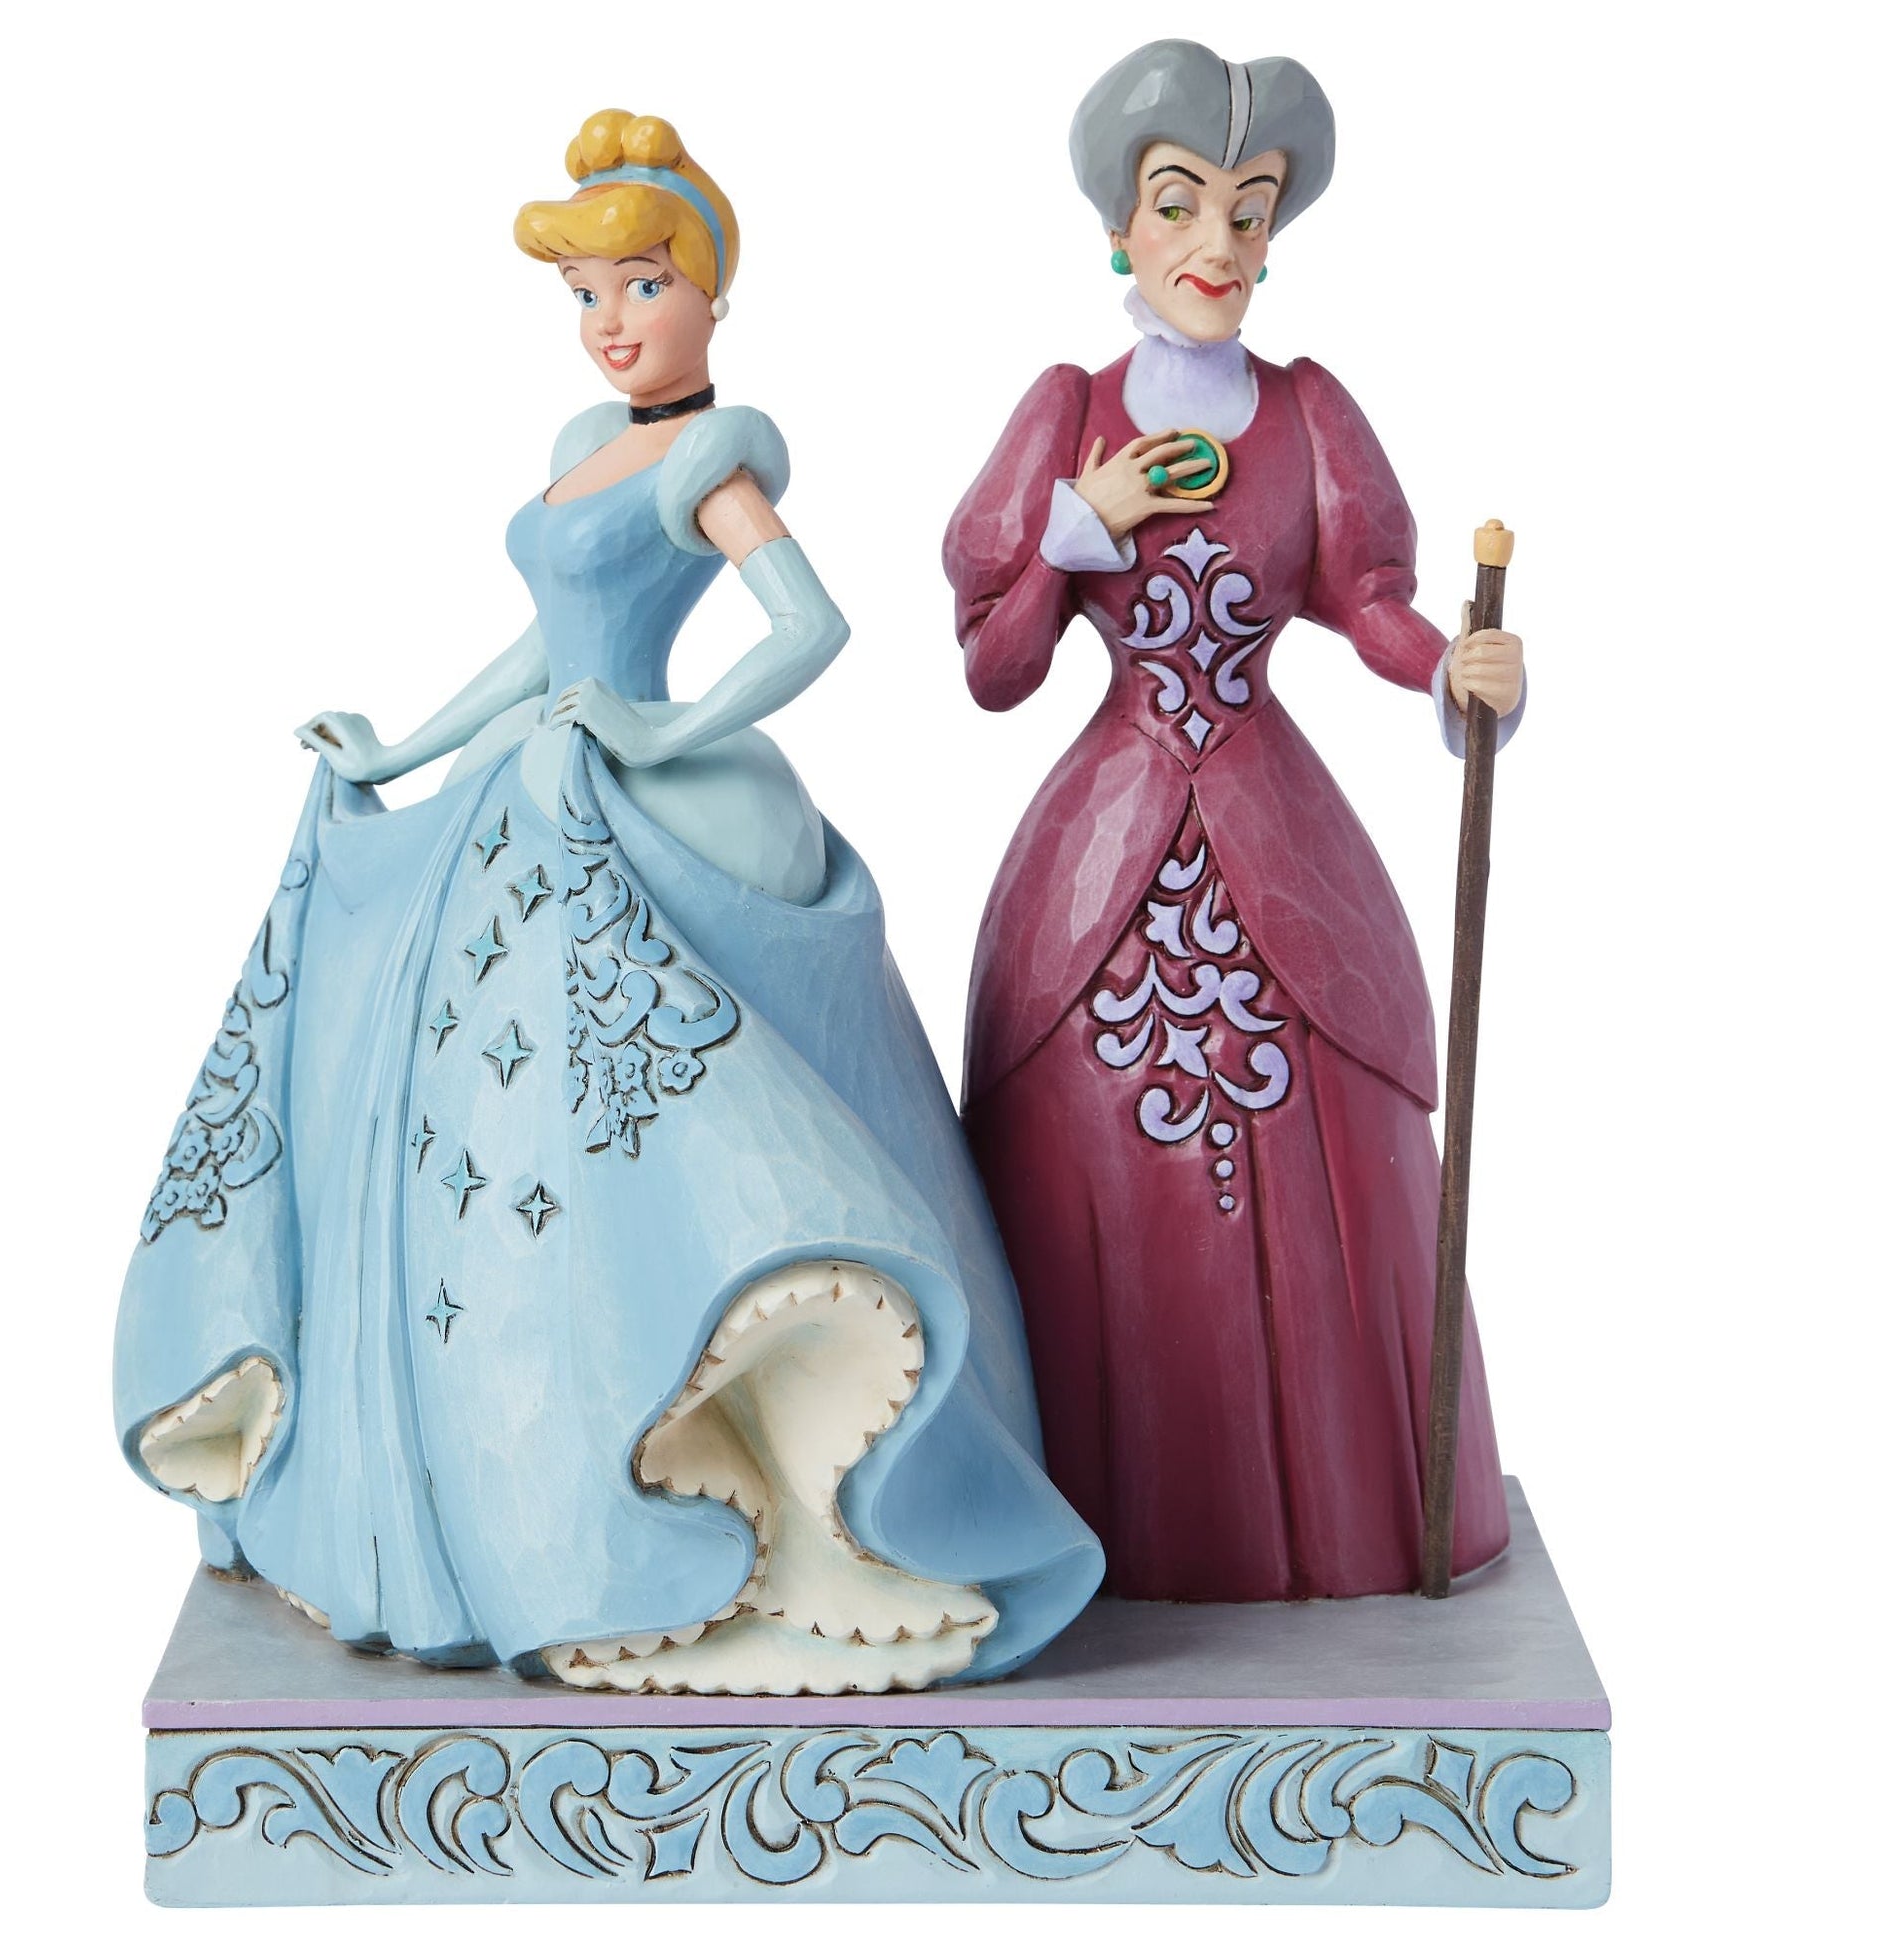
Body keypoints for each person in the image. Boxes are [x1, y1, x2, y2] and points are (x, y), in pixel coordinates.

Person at [115, 108, 1100, 1694]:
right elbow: (539, 641)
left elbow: (807, 623)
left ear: (711, 292)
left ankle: (711, 1457)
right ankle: (491, 1479)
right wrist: (405, 748)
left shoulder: (718, 451)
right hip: (526, 772)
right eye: (587, 294)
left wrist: (660, 727)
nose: (613, 320)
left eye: (644, 285)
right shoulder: (588, 441)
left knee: (643, 1114)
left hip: (614, 780)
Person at [945, 42, 1524, 1601]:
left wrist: (1454, 671)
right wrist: (1086, 523)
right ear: (1118, 228)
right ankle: (1083, 1530)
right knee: (1081, 1137)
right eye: (1179, 203)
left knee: (1334, 1136)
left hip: (1275, 826)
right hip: (1101, 840)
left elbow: (1371, 600)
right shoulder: (1066, 412)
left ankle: (1335, 1524)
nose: (1216, 243)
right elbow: (994, 664)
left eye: (1248, 210)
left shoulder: (1308, 412)